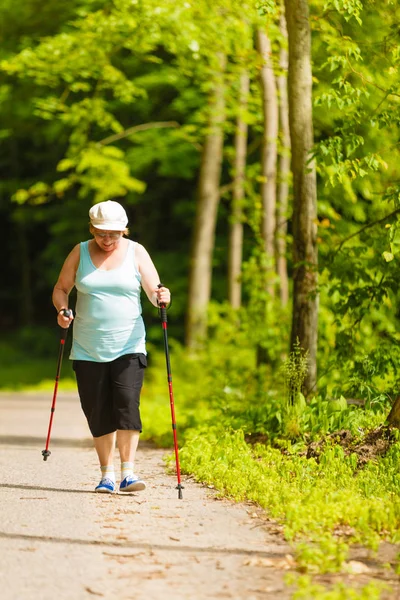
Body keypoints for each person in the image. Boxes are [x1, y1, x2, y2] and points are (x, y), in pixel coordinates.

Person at [52, 200, 170, 494]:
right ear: (92, 229)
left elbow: (155, 292)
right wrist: (63, 310)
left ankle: (128, 473)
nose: (107, 240)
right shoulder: (79, 253)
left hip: (129, 344)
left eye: (114, 234)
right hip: (87, 347)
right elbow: (61, 288)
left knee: (127, 404)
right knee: (97, 409)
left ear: (123, 230)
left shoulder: (136, 252)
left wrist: (162, 296)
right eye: (101, 233)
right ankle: (106, 475)